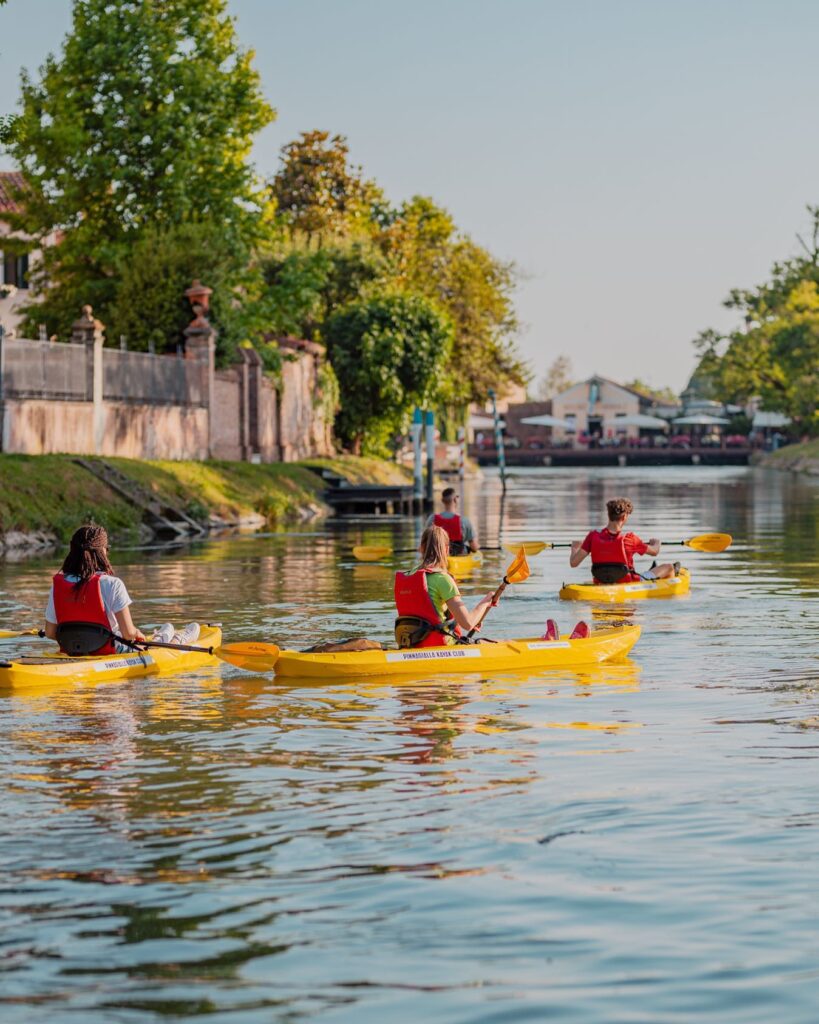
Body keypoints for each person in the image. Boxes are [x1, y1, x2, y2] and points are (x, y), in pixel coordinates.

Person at [44, 525, 199, 655]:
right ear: (102, 552)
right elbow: (128, 634)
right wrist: (136, 633)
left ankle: (168, 632)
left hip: (71, 651)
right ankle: (176, 638)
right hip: (110, 650)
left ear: (72, 551)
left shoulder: (58, 584)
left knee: (162, 631)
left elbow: (51, 633)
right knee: (145, 642)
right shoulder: (112, 584)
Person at [394, 525, 496, 648]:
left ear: (421, 548)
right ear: (447, 550)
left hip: (411, 646)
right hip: (442, 647)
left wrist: (467, 621)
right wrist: (486, 602)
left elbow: (425, 612)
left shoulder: (407, 576)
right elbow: (468, 623)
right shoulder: (442, 579)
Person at [569, 497, 680, 584]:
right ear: (624, 517)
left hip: (601, 582)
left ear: (609, 515)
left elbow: (573, 563)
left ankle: (652, 571)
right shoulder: (630, 539)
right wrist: (657, 543)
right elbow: (654, 551)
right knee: (669, 567)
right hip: (629, 583)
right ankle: (660, 582)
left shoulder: (592, 536)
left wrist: (575, 548)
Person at [424, 487, 479, 556]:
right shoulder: (464, 521)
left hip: (438, 556)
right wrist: (477, 548)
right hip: (458, 556)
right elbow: (474, 547)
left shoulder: (432, 519)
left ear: (442, 501)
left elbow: (424, 543)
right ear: (455, 500)